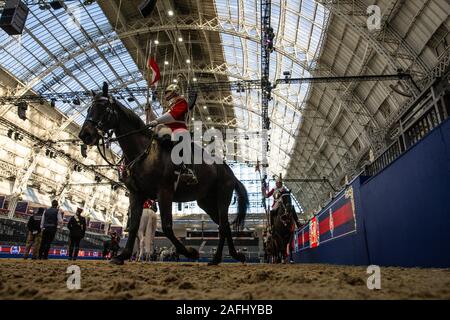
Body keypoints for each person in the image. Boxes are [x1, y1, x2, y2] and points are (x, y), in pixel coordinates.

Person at [148, 84, 197, 184]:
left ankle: (188, 169)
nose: (166, 94)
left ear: (174, 92)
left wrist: (157, 121)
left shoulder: (181, 102)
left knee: (182, 138)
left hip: (179, 128)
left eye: (167, 92)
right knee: (157, 130)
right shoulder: (169, 107)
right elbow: (155, 121)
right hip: (167, 129)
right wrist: (149, 110)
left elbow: (173, 116)